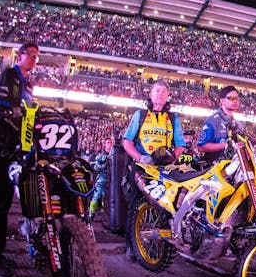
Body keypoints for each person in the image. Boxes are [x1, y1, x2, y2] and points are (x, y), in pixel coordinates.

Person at [0, 41, 39, 277]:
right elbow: (1, 109)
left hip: (16, 149)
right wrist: (20, 117)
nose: (34, 58)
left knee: (7, 204)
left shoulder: (29, 84)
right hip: (1, 147)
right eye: (31, 54)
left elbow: (28, 114)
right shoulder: (9, 75)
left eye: (37, 56)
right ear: (20, 56)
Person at [122, 80, 185, 260]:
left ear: (168, 96)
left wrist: (172, 158)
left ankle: (159, 248)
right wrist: (140, 157)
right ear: (150, 94)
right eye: (157, 91)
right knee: (135, 205)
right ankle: (131, 246)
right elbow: (127, 141)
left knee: (164, 206)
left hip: (163, 169)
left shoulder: (173, 118)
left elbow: (180, 145)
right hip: (141, 166)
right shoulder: (140, 114)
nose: (160, 94)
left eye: (164, 92)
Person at [196, 85, 243, 165]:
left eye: (236, 98)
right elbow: (201, 147)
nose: (235, 101)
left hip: (233, 166)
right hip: (214, 167)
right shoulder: (213, 120)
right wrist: (226, 145)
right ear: (222, 101)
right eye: (231, 98)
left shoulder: (239, 123)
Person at [89, 136, 113, 217]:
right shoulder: (100, 155)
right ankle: (91, 214)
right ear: (105, 145)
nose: (110, 144)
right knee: (96, 196)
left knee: (106, 198)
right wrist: (105, 166)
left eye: (111, 142)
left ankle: (104, 215)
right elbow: (96, 167)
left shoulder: (114, 155)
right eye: (108, 143)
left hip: (111, 180)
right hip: (102, 179)